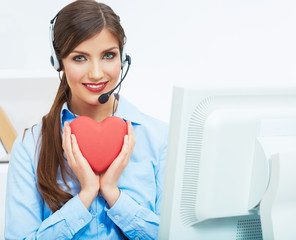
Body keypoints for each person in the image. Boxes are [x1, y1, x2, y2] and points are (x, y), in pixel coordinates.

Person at [5, 0, 168, 239]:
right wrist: (86, 195)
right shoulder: (30, 146)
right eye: (79, 58)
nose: (96, 73)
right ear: (58, 62)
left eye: (108, 55)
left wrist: (113, 194)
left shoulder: (160, 139)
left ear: (123, 59)